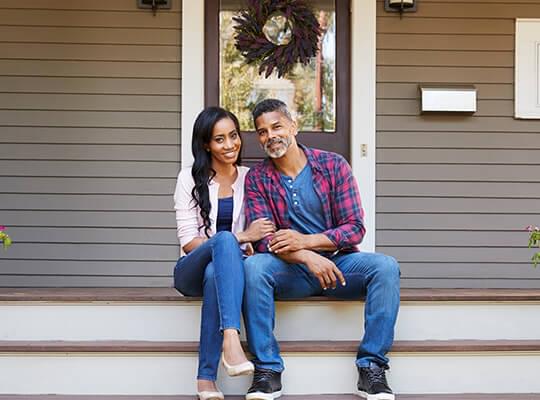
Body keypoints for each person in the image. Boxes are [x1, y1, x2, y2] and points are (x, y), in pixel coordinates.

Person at [242, 99, 401, 400]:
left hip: (340, 266)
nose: (270, 136)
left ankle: (371, 368)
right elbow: (264, 239)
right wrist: (305, 256)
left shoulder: (332, 165)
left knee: (386, 267)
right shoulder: (257, 178)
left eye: (276, 126)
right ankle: (267, 370)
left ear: (293, 125)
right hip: (290, 270)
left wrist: (306, 241)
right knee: (253, 266)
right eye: (262, 132)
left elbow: (354, 227)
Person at [173, 106, 275, 400]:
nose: (230, 145)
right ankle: (231, 339)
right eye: (220, 139)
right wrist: (241, 237)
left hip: (228, 271)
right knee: (224, 243)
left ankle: (206, 380)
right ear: (206, 144)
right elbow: (189, 242)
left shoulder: (251, 177)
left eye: (233, 136)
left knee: (214, 273)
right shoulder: (188, 179)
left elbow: (265, 230)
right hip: (188, 270)